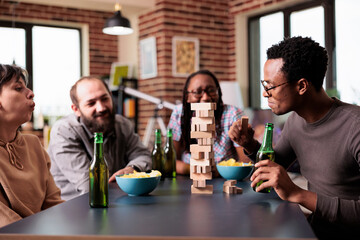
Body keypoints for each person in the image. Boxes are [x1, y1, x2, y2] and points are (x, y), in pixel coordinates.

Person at [228, 36, 360, 240]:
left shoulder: (355, 125)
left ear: (301, 86)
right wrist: (250, 144)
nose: (265, 94)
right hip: (314, 232)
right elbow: (273, 167)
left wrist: (298, 194)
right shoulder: (295, 122)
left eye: (270, 87)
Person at [48, 76, 152, 200]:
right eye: (91, 103)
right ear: (76, 109)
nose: (101, 108)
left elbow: (143, 155)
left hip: (114, 200)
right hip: (73, 208)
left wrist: (133, 168)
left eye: (105, 99)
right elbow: (89, 185)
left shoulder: (122, 124)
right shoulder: (64, 131)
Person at [0, 64, 64, 227]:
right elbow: (7, 225)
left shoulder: (34, 145)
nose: (31, 93)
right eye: (18, 88)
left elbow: (54, 204)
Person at [168, 69, 250, 175]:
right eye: (197, 92)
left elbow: (246, 163)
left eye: (211, 90)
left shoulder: (233, 114)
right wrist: (194, 169)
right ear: (187, 96)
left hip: (225, 177)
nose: (206, 97)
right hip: (188, 179)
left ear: (218, 92)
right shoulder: (179, 113)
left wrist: (217, 171)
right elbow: (170, 161)